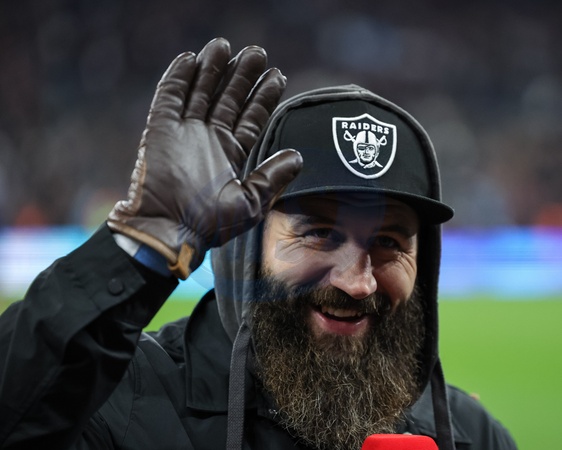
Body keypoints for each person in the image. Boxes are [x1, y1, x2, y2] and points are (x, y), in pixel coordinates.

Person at [0, 38, 516, 450]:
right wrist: (141, 242)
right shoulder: (119, 405)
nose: (357, 282)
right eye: (319, 233)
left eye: (387, 241)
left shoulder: (469, 435)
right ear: (246, 247)